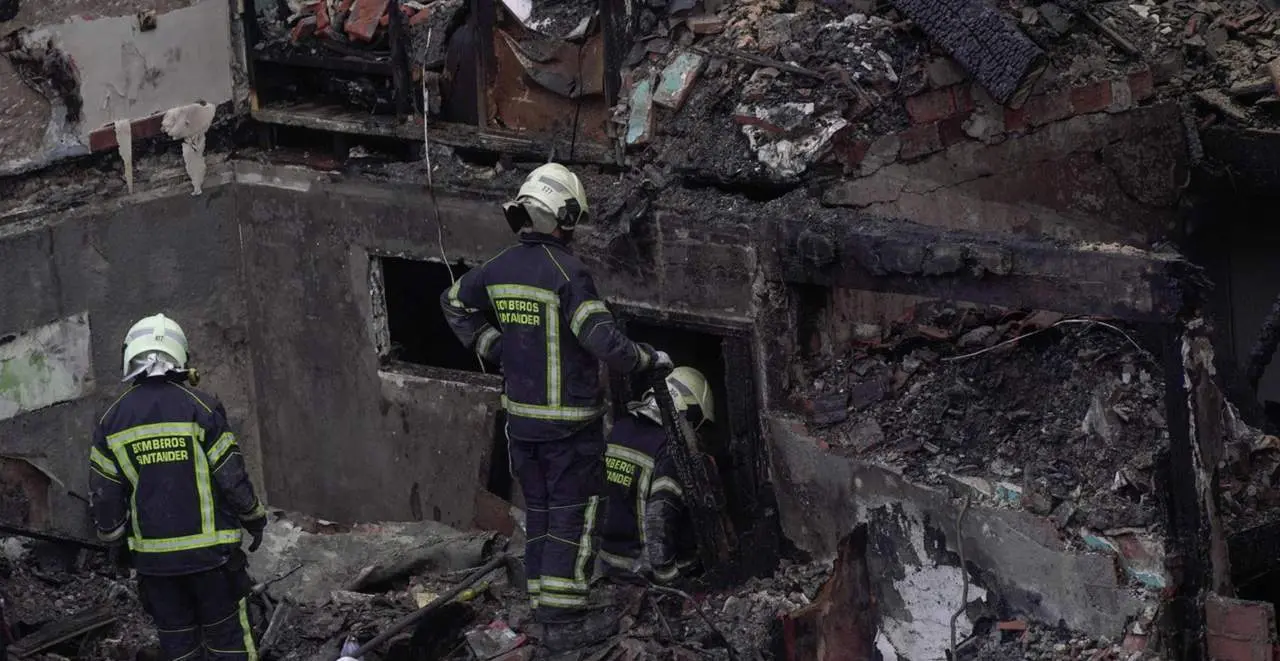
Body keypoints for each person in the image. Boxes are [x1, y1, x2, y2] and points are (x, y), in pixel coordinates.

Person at [440, 163, 671, 650]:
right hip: (570, 429)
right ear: (562, 216)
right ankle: (564, 629)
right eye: (573, 219)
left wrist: (490, 345)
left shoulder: (498, 267)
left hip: (522, 427)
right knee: (574, 516)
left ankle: (544, 608)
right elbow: (602, 340)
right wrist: (647, 357)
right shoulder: (569, 273)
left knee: (542, 513)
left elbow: (453, 301)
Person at [88, 313, 268, 661]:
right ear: (179, 356)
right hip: (212, 561)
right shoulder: (201, 407)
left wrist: (114, 544)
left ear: (130, 357)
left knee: (180, 648)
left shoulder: (111, 420)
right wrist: (254, 518)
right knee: (229, 643)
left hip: (156, 567)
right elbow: (232, 478)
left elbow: (105, 497)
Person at [598, 366, 714, 584]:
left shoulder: (619, 429)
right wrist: (668, 579)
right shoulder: (670, 451)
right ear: (690, 412)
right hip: (641, 571)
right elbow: (658, 520)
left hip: (605, 560)